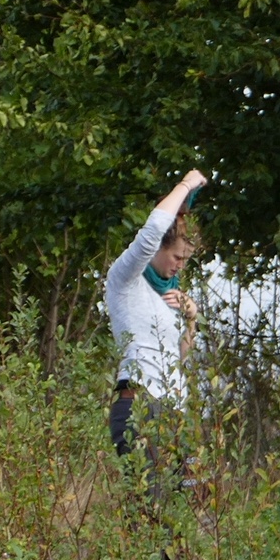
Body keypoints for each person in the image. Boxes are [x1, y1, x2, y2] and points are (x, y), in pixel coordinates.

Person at [103, 170, 210, 459]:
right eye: (177, 257)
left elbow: (180, 359)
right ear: (158, 249)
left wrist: (191, 319)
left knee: (193, 499)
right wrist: (185, 185)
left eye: (186, 261)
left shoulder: (169, 297)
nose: (180, 267)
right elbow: (152, 233)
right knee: (152, 502)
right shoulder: (125, 279)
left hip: (177, 415)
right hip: (141, 409)